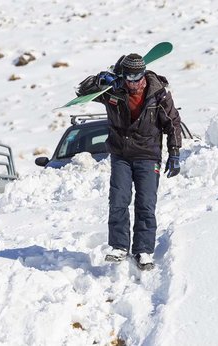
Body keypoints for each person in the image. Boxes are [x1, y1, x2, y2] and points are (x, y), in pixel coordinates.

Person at [76, 53, 182, 270]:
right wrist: (100, 80)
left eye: (137, 77)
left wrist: (174, 152)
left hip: (148, 155)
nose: (133, 82)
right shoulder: (113, 91)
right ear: (123, 75)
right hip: (121, 155)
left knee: (145, 204)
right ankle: (119, 246)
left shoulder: (158, 93)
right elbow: (81, 93)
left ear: (144, 73)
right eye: (129, 78)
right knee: (118, 200)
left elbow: (173, 123)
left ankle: (143, 250)